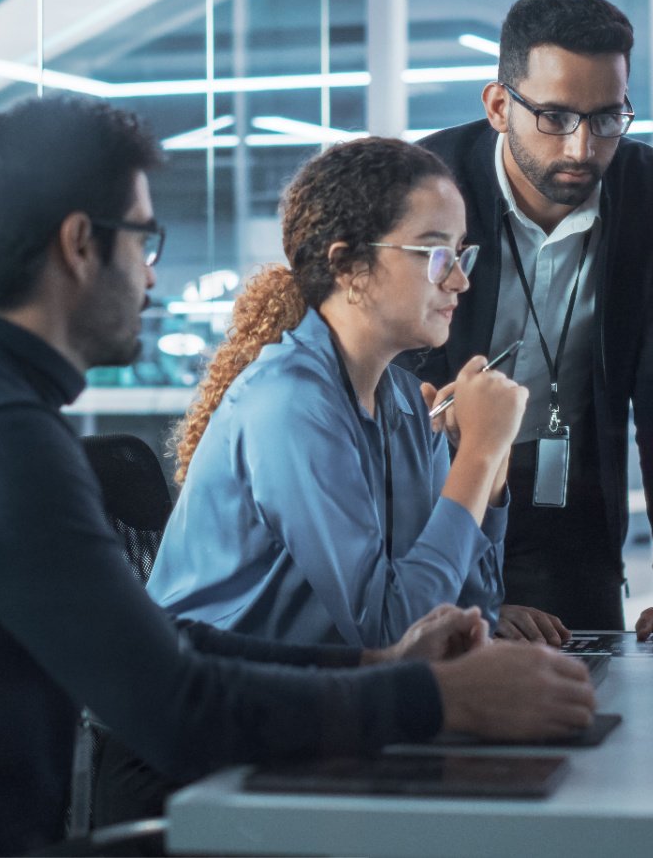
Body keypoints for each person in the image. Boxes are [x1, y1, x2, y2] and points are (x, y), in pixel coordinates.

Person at [0, 94, 597, 857]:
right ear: (79, 245)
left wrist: (381, 670)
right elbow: (175, 708)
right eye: (144, 240)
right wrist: (438, 699)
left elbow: (162, 642)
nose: (151, 277)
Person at [408, 0, 653, 643]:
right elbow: (391, 397)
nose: (583, 148)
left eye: (607, 119)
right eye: (556, 117)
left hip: (576, 512)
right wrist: (469, 592)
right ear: (500, 106)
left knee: (591, 704)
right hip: (437, 502)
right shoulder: (428, 187)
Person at [148, 137, 523, 649]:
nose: (459, 280)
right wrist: (477, 457)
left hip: (320, 696)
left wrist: (490, 463)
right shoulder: (288, 404)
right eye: (436, 254)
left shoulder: (410, 405)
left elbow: (466, 614)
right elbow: (391, 632)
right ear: (348, 266)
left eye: (461, 254)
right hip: (216, 706)